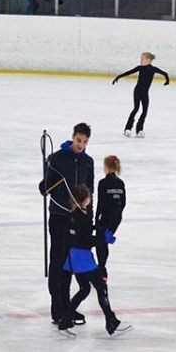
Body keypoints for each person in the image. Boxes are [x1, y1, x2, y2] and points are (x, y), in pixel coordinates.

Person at [40, 122, 94, 327]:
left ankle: (67, 307)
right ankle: (57, 308)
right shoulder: (57, 159)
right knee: (57, 263)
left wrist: (88, 221)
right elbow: (45, 188)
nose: (81, 144)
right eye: (78, 140)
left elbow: (90, 193)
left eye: (85, 142)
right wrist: (46, 182)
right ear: (73, 136)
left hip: (77, 220)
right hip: (59, 217)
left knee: (69, 265)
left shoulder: (88, 162)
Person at [59, 185, 128, 336]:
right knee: (101, 287)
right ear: (85, 199)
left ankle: (65, 320)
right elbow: (85, 240)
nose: (90, 198)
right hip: (83, 258)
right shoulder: (82, 217)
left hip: (75, 257)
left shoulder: (77, 214)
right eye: (89, 196)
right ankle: (111, 321)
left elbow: (85, 232)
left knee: (85, 289)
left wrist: (99, 230)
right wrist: (103, 239)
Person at [112, 53, 169, 137]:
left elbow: (165, 73)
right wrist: (118, 77)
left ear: (148, 60)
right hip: (137, 91)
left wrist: (167, 81)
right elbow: (129, 72)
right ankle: (127, 129)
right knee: (136, 108)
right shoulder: (140, 68)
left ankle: (139, 130)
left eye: (142, 59)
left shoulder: (153, 69)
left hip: (145, 93)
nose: (140, 60)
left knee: (144, 111)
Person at [95, 155, 126, 281]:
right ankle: (102, 270)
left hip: (106, 217)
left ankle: (102, 271)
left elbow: (101, 202)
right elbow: (123, 203)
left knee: (100, 243)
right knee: (104, 242)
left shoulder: (103, 183)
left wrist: (96, 218)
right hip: (116, 218)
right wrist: (117, 215)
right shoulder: (120, 183)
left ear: (106, 167)